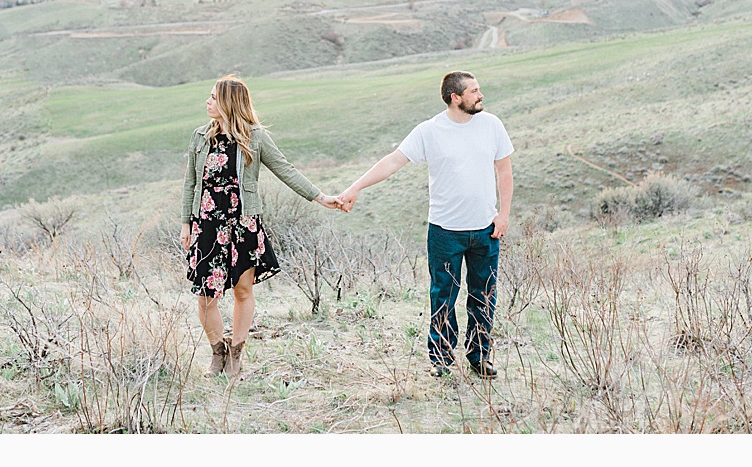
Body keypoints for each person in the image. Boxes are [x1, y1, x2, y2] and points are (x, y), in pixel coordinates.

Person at [337, 71, 513, 379]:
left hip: (486, 229)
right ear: (455, 98)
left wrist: (504, 214)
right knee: (442, 293)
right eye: (473, 91)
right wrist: (355, 187)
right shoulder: (429, 131)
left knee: (484, 294)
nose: (480, 95)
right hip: (444, 231)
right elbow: (393, 161)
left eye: (479, 89)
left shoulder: (492, 125)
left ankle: (479, 356)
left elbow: (504, 171)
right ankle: (442, 358)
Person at [181, 75, 342, 377]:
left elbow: (285, 169)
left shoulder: (255, 137)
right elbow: (191, 183)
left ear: (229, 102)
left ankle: (236, 355)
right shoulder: (199, 136)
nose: (208, 101)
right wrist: (186, 224)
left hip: (243, 223)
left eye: (213, 97)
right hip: (207, 225)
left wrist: (320, 197)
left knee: (242, 291)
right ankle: (218, 352)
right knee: (205, 296)